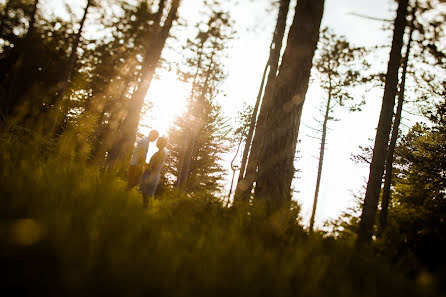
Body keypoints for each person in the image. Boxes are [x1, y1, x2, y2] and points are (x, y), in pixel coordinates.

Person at [140, 137, 167, 208]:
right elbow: (152, 164)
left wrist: (145, 165)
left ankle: (144, 212)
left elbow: (154, 166)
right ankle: (144, 211)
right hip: (151, 174)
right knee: (145, 196)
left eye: (158, 141)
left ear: (162, 143)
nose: (156, 142)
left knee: (146, 197)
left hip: (151, 176)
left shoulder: (161, 153)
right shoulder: (159, 152)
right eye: (157, 141)